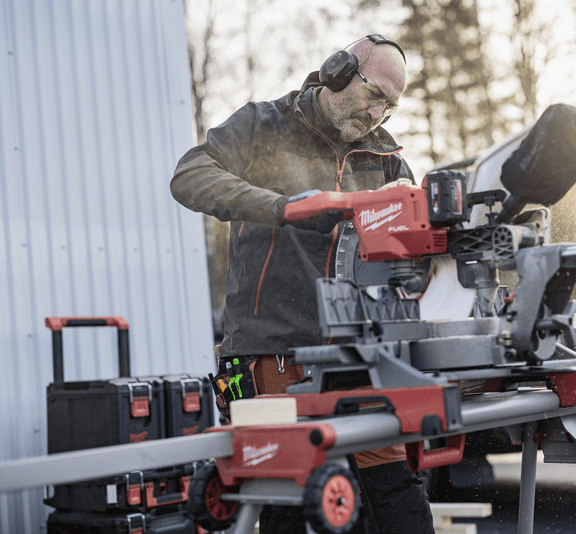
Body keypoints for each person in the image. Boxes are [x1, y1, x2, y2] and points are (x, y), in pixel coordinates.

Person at [171, 34, 434, 534]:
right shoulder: (262, 125)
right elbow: (190, 173)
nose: (379, 114)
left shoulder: (388, 161)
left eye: (391, 106)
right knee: (284, 506)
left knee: (395, 500)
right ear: (337, 70)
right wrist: (282, 207)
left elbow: (413, 260)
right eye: (374, 94)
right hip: (271, 355)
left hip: (360, 360)